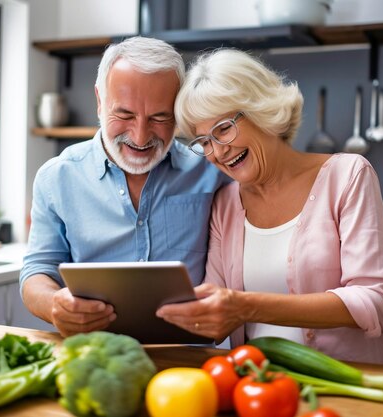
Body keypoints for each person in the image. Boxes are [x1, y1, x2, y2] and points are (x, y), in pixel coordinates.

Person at [156, 49, 383, 365]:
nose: (218, 152)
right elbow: (217, 315)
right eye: (204, 141)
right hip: (264, 389)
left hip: (354, 387)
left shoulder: (348, 175)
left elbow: (377, 302)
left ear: (261, 110)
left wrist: (249, 306)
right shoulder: (225, 204)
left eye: (223, 129)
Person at [20, 37, 229, 337]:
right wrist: (55, 303)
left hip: (187, 359)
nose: (141, 137)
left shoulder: (211, 170)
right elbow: (37, 270)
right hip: (96, 354)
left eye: (160, 117)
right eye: (125, 115)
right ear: (99, 101)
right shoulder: (56, 178)